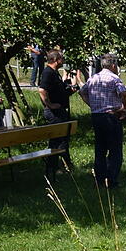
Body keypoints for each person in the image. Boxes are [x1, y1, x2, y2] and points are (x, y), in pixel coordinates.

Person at [79, 54, 126, 189]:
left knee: (100, 149)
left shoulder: (93, 78)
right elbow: (124, 93)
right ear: (113, 65)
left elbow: (82, 92)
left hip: (97, 117)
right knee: (115, 149)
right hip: (111, 116)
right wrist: (124, 108)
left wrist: (92, 105)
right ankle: (111, 180)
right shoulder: (114, 78)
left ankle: (100, 179)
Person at [38, 50, 74, 178]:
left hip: (60, 111)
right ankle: (53, 168)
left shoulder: (54, 73)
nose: (63, 61)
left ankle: (64, 165)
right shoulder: (48, 73)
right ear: (56, 59)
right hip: (54, 113)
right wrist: (50, 104)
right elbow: (42, 90)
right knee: (55, 141)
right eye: (62, 58)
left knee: (62, 140)